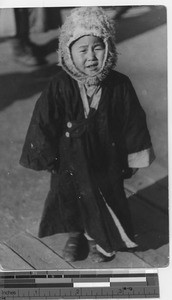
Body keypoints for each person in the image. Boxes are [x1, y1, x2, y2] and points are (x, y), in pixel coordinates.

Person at [19, 7, 155, 263]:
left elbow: (133, 122)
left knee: (106, 197)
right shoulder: (59, 86)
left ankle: (99, 239)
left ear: (109, 47)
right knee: (69, 198)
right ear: (68, 53)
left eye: (98, 47)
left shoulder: (119, 85)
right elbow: (43, 120)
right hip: (69, 159)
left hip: (106, 158)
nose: (91, 56)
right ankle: (75, 235)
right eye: (82, 50)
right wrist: (45, 156)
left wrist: (133, 158)